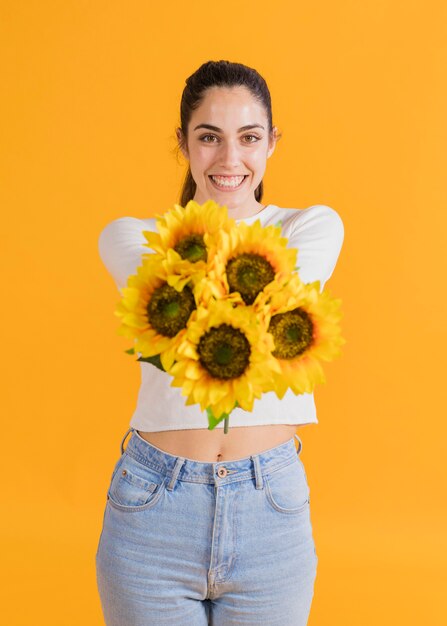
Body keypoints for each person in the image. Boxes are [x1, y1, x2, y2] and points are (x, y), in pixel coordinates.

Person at [95, 59, 344, 626]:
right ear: (183, 143)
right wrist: (257, 299)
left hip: (271, 509)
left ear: (273, 143)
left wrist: (190, 295)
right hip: (153, 510)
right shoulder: (130, 236)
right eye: (209, 137)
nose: (230, 160)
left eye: (249, 137)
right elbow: (251, 313)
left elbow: (237, 315)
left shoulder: (314, 226)